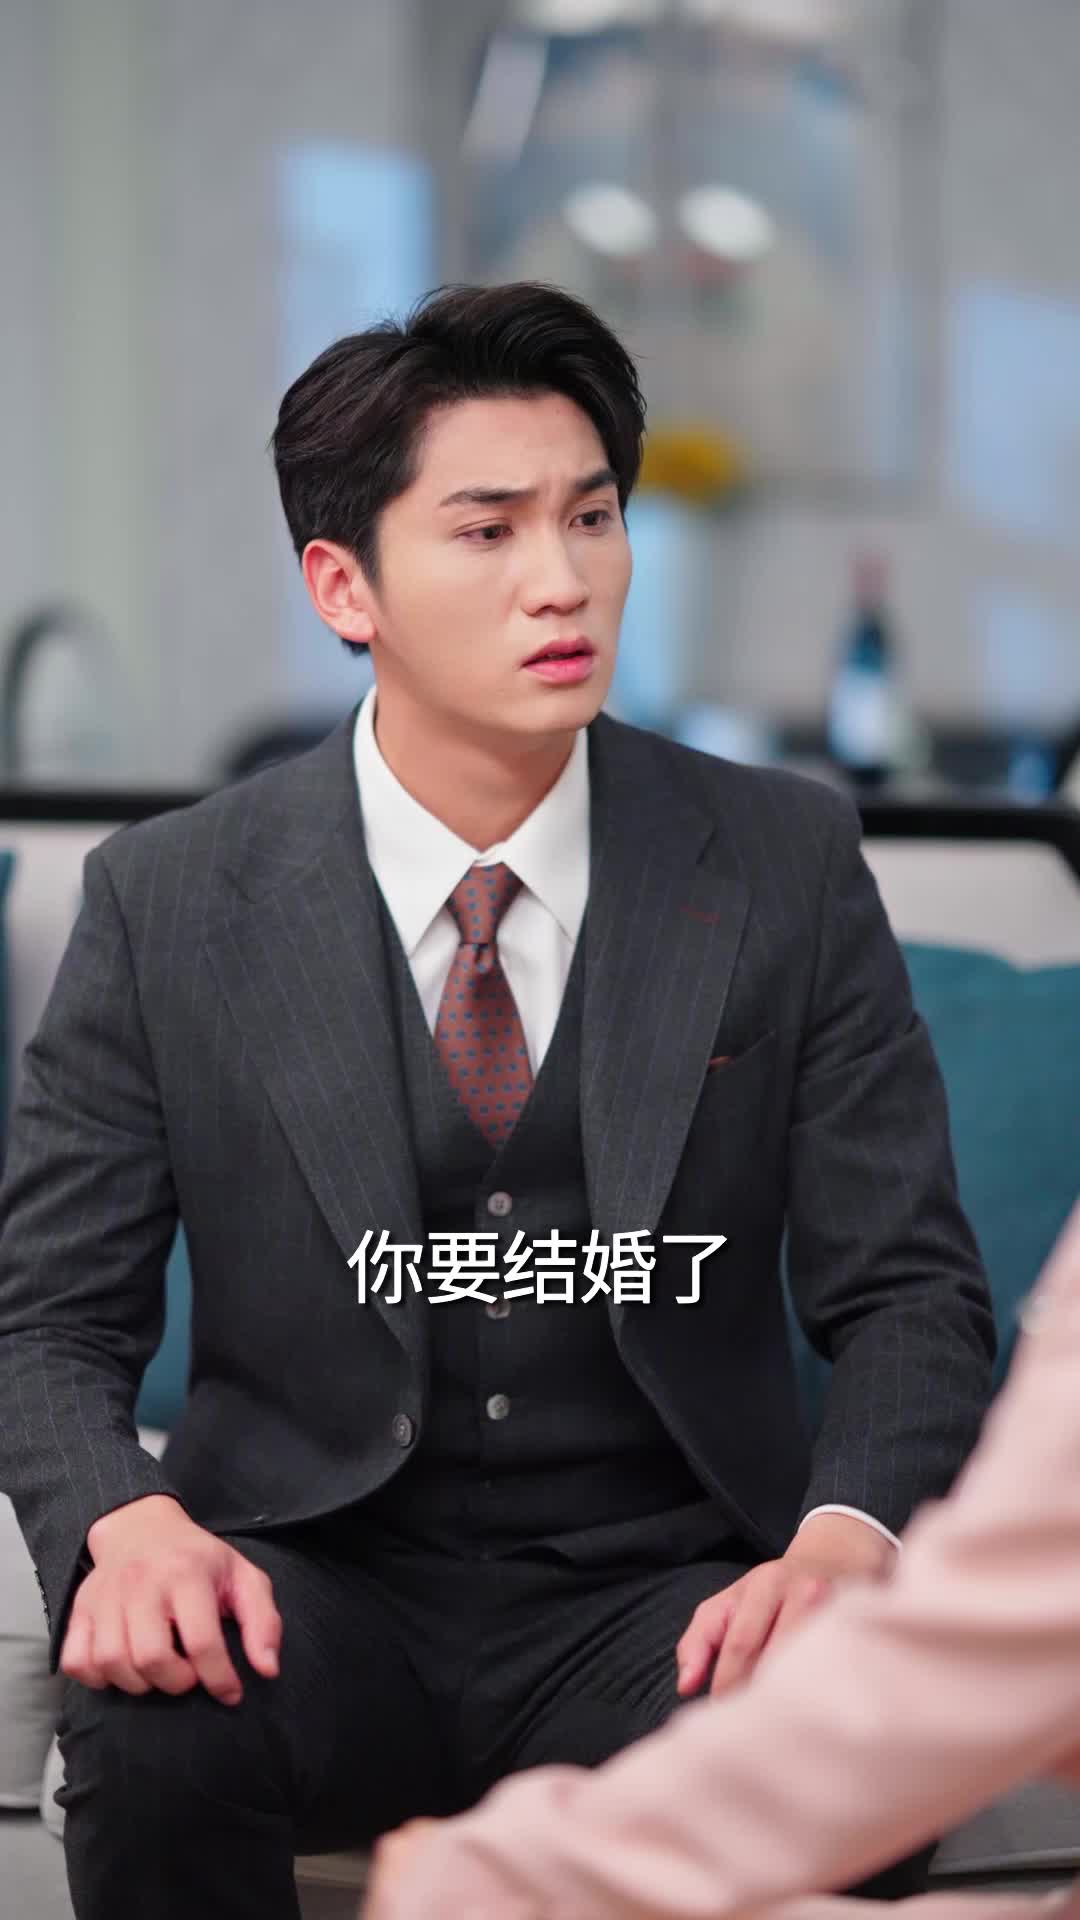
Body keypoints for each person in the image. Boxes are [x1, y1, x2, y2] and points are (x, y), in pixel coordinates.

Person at [0, 282, 994, 1920]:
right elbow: (46, 1317)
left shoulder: (782, 860)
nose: (563, 578)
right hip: (312, 1583)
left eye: (592, 518)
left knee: (840, 1739)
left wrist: (841, 1546)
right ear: (345, 586)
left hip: (667, 1596)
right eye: (488, 530)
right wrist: (124, 1526)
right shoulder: (168, 899)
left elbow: (909, 1294)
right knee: (152, 1721)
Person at [363, 1199, 1080, 1920]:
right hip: (344, 1573)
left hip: (672, 1577)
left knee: (808, 1751)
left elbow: (975, 1637)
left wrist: (511, 1876)